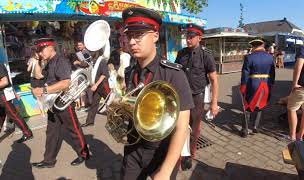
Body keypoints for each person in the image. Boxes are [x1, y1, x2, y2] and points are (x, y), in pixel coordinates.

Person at [120, 7, 194, 180]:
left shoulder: (174, 74)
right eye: (129, 35)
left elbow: (182, 127)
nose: (131, 42)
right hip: (133, 147)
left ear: (155, 35)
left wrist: (166, 171)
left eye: (138, 35)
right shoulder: (129, 71)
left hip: (162, 151)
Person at [30, 38, 90, 168]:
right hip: (53, 103)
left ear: (50, 47)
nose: (40, 53)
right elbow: (39, 76)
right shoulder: (49, 62)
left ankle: (84, 154)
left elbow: (65, 83)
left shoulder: (60, 60)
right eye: (38, 51)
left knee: (74, 129)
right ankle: (48, 161)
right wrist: (37, 60)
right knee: (51, 133)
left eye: (41, 50)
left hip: (64, 102)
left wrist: (44, 90)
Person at [175, 23, 219, 168]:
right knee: (180, 126)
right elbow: (175, 73)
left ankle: (190, 154)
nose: (188, 39)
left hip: (196, 97)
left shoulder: (206, 55)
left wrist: (213, 103)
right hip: (181, 96)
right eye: (187, 36)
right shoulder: (181, 54)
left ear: (199, 38)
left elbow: (214, 80)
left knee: (194, 129)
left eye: (191, 37)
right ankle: (180, 151)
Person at [0, 45, 33, 143]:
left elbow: (5, 81)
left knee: (13, 114)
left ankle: (27, 133)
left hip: (3, 96)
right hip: (0, 96)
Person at [240, 39, 275, 138]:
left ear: (253, 46)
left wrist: (243, 86)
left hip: (253, 84)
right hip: (266, 83)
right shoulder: (270, 57)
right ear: (262, 45)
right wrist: (271, 84)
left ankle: (245, 130)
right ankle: (255, 127)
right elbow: (272, 73)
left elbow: (245, 73)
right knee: (260, 105)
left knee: (247, 106)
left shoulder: (249, 57)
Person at [80, 46, 110, 127]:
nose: (90, 52)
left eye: (91, 51)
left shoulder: (102, 60)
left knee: (110, 103)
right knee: (94, 104)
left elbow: (104, 74)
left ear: (96, 52)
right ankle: (89, 122)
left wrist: (96, 85)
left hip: (103, 85)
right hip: (96, 86)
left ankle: (118, 118)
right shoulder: (93, 61)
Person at [287, 45, 304, 141]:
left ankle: (293, 136)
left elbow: (299, 64)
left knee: (291, 109)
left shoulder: (303, 48)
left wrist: (294, 83)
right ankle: (300, 136)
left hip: (301, 87)